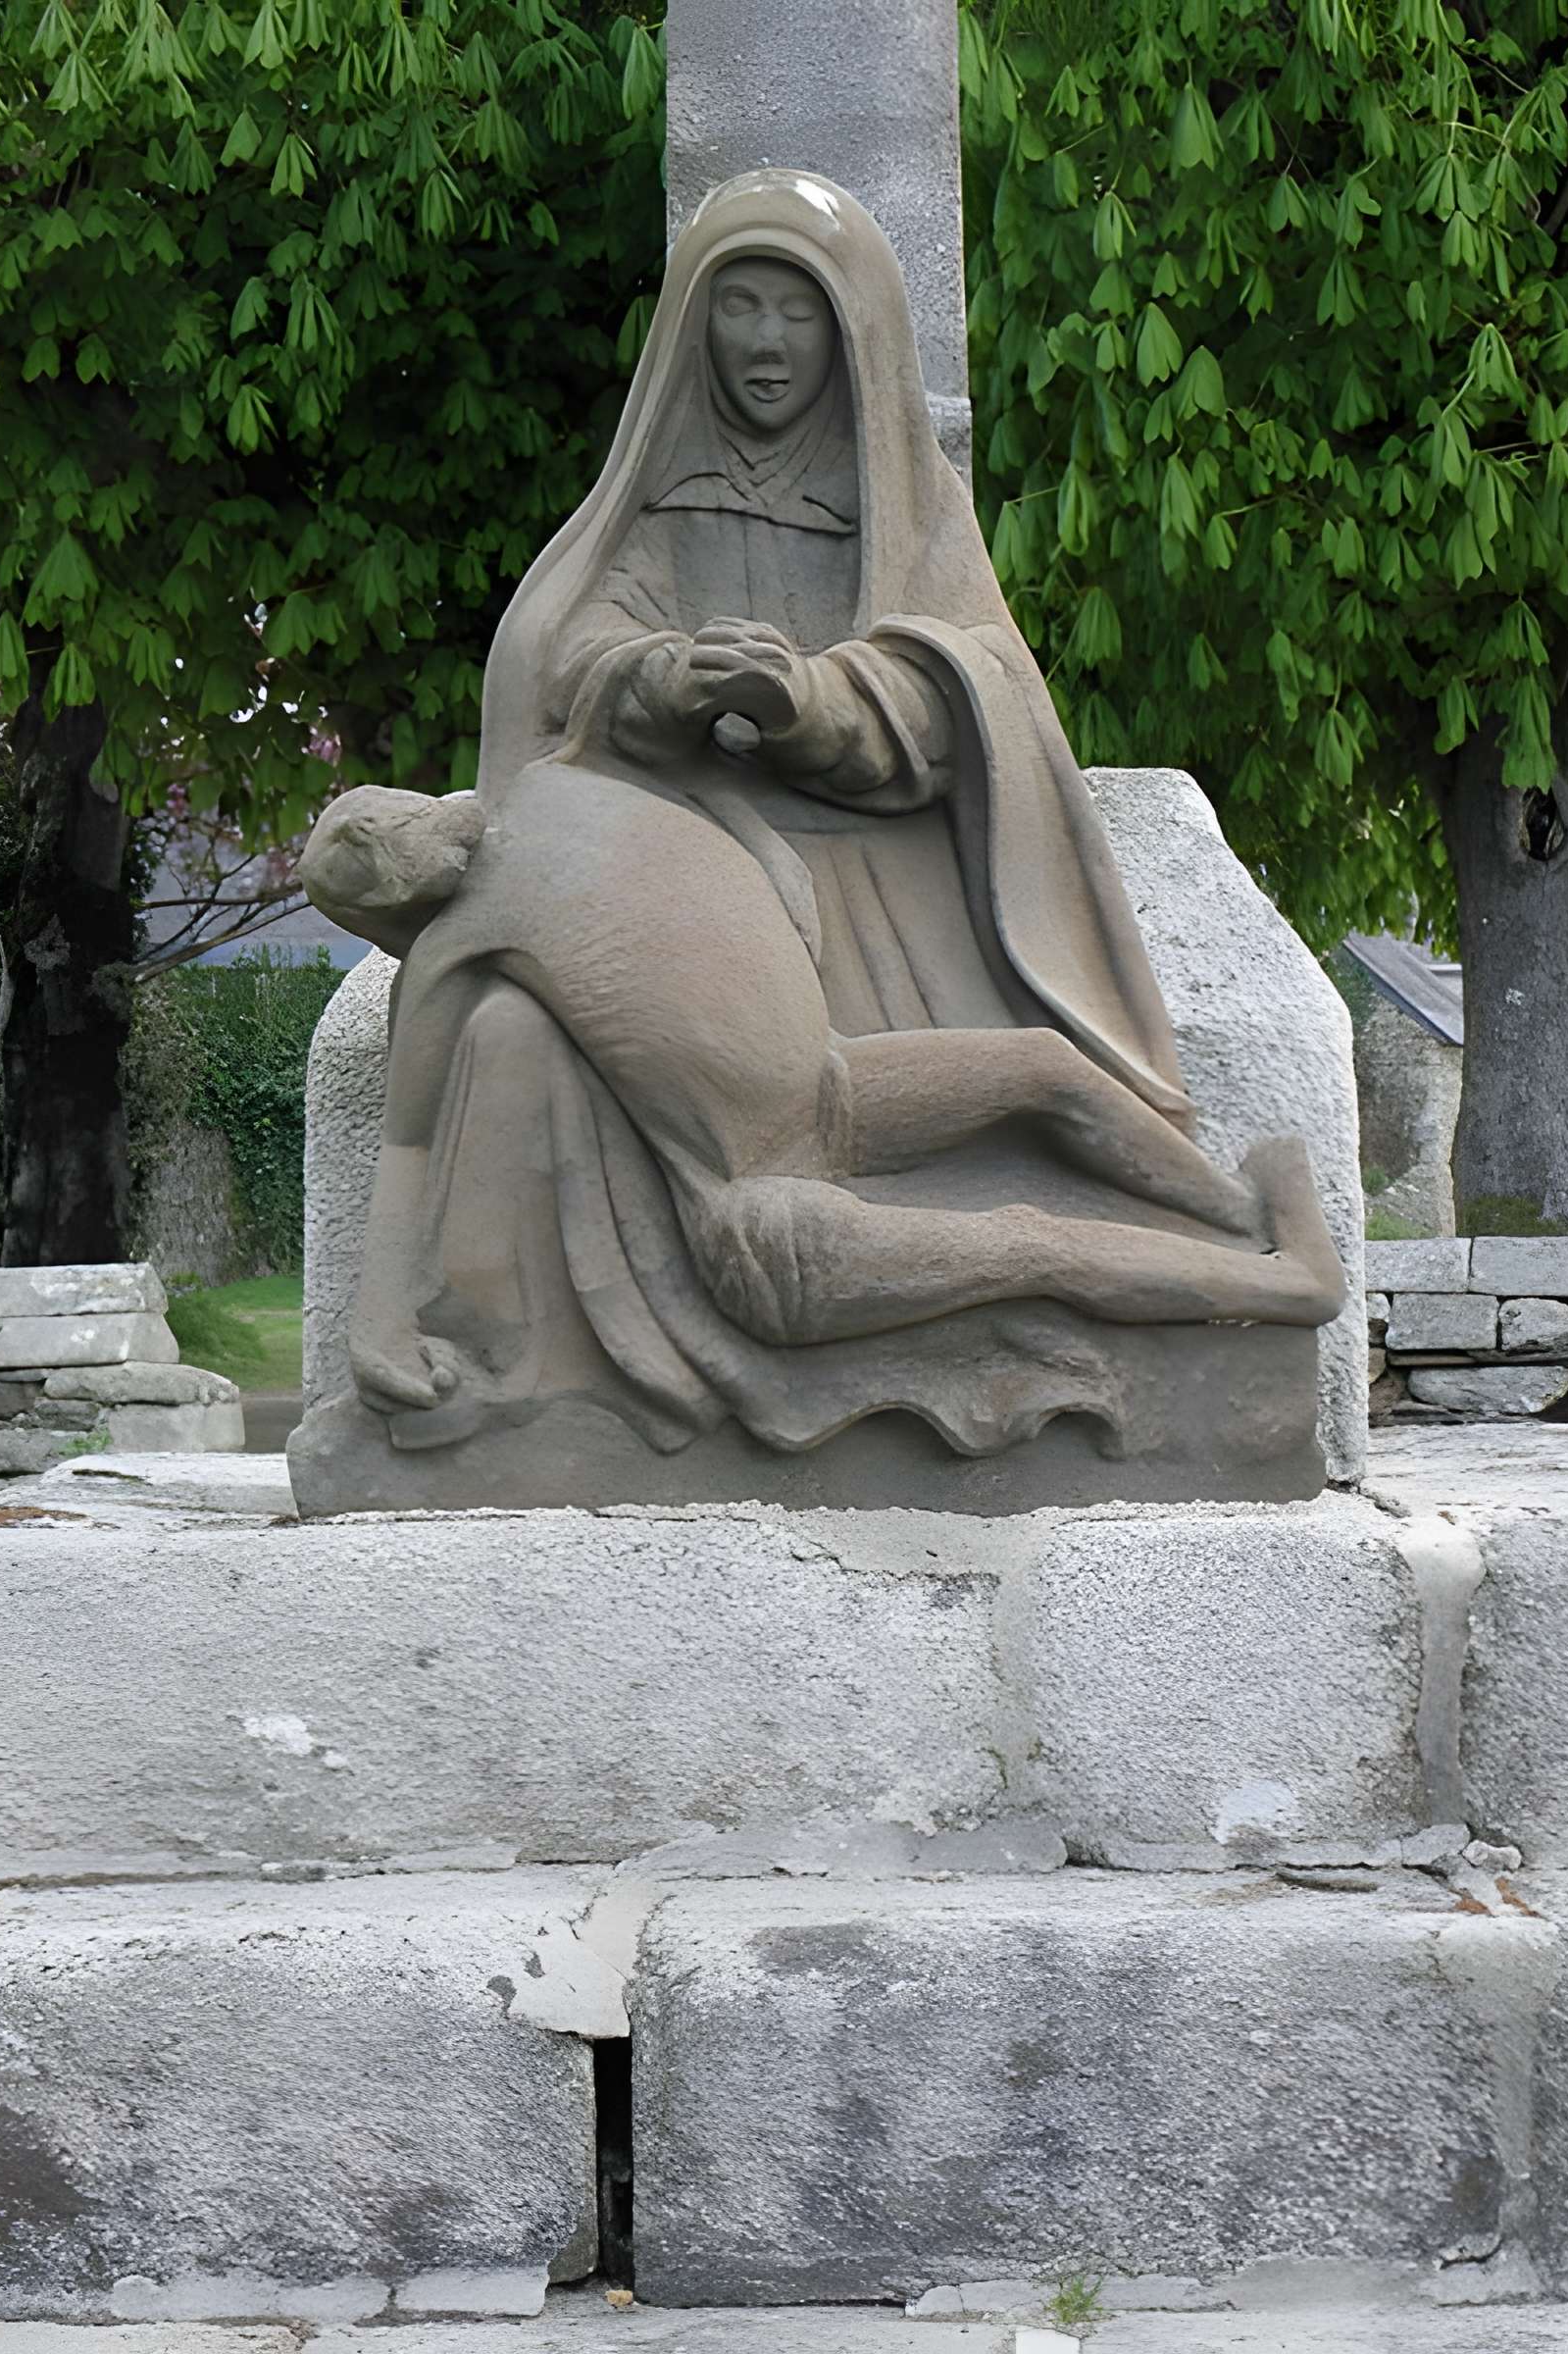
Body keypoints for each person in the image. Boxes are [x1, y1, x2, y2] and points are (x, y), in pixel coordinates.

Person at [300, 170, 1343, 1465]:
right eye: (736, 306)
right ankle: (508, 1363)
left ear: (852, 328)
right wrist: (660, 679)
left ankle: (1229, 1220)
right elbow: (572, 661)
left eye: (794, 310)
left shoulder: (910, 507)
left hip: (875, 916)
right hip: (697, 909)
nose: (765, 343)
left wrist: (814, 701)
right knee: (529, 1046)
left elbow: (982, 692)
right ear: (695, 324)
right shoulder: (649, 516)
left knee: (1035, 1091)